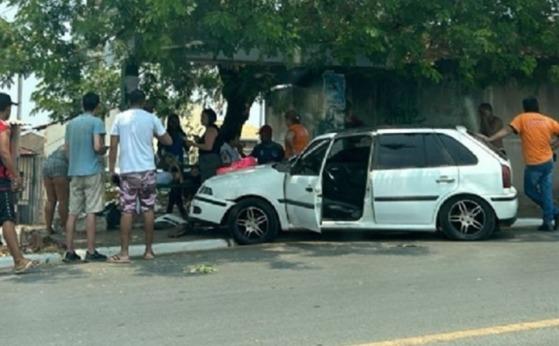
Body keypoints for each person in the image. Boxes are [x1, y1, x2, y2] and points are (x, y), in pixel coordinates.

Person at [109, 90, 172, 263]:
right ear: (143, 102)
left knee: (127, 210)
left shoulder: (120, 118)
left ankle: (124, 253)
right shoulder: (151, 118)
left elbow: (113, 146)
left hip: (128, 171)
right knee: (148, 209)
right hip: (147, 170)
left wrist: (111, 169)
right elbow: (168, 141)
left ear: (129, 101)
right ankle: (149, 251)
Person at [485, 97, 559, 231]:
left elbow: (506, 131)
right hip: (548, 162)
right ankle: (549, 219)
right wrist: (554, 146)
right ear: (537, 107)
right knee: (546, 192)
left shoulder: (522, 119)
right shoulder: (547, 120)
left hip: (534, 163)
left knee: (530, 191)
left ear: (524, 107)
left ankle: (554, 212)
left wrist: (490, 139)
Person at [64, 92, 108, 262]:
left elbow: (66, 150)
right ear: (97, 106)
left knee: (72, 212)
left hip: (75, 171)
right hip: (92, 171)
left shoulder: (71, 124)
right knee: (91, 211)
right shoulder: (97, 122)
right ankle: (90, 250)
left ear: (82, 105)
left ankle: (69, 251)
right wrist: (105, 149)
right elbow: (97, 146)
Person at [0, 92, 36, 273]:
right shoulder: (2, 127)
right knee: (7, 218)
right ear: (7, 109)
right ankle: (18, 260)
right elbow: (5, 153)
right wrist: (15, 175)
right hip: (0, 180)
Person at [187, 108, 221, 181]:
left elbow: (208, 147)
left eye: (204, 117)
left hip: (209, 161)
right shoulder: (209, 129)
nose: (201, 119)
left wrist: (194, 144)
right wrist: (199, 140)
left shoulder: (211, 130)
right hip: (207, 160)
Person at [42, 145, 69, 235]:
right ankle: (65, 228)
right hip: (60, 166)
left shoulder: (61, 147)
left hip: (47, 165)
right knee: (63, 200)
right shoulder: (76, 147)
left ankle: (48, 228)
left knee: (50, 200)